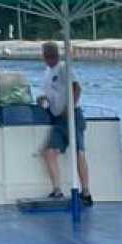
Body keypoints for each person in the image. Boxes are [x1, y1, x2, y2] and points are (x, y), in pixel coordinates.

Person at [37, 41, 90, 202]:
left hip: (72, 115)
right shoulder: (47, 73)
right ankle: (57, 189)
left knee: (79, 151)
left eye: (53, 54)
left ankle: (86, 190)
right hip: (58, 118)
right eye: (48, 55)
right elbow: (50, 95)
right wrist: (43, 101)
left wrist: (69, 107)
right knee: (49, 152)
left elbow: (76, 88)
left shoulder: (64, 68)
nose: (50, 57)